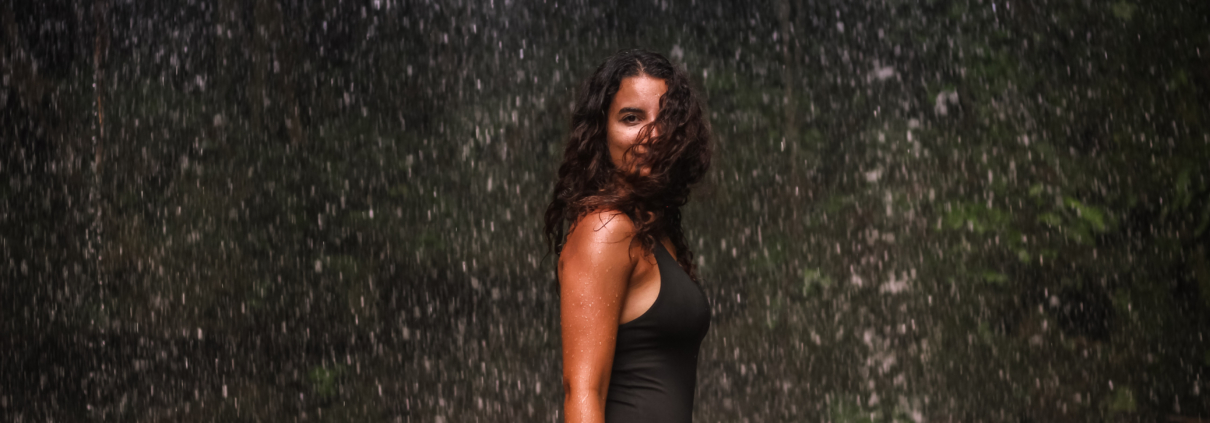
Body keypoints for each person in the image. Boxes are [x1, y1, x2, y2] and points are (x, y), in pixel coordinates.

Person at [543, 49, 713, 423]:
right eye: (631, 118)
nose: (652, 134)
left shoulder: (652, 229)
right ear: (601, 132)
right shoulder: (605, 230)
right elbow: (581, 393)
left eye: (665, 119)